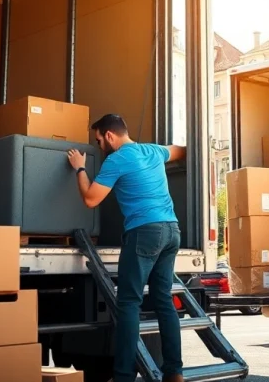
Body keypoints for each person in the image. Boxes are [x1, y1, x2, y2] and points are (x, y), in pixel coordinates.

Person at [67, 114, 186, 382]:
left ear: (109, 135)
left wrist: (79, 168)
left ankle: (123, 377)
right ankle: (174, 373)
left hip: (145, 232)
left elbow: (90, 199)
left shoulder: (117, 159)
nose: (98, 145)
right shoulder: (153, 150)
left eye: (98, 140)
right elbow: (183, 150)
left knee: (129, 303)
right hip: (171, 229)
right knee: (163, 300)